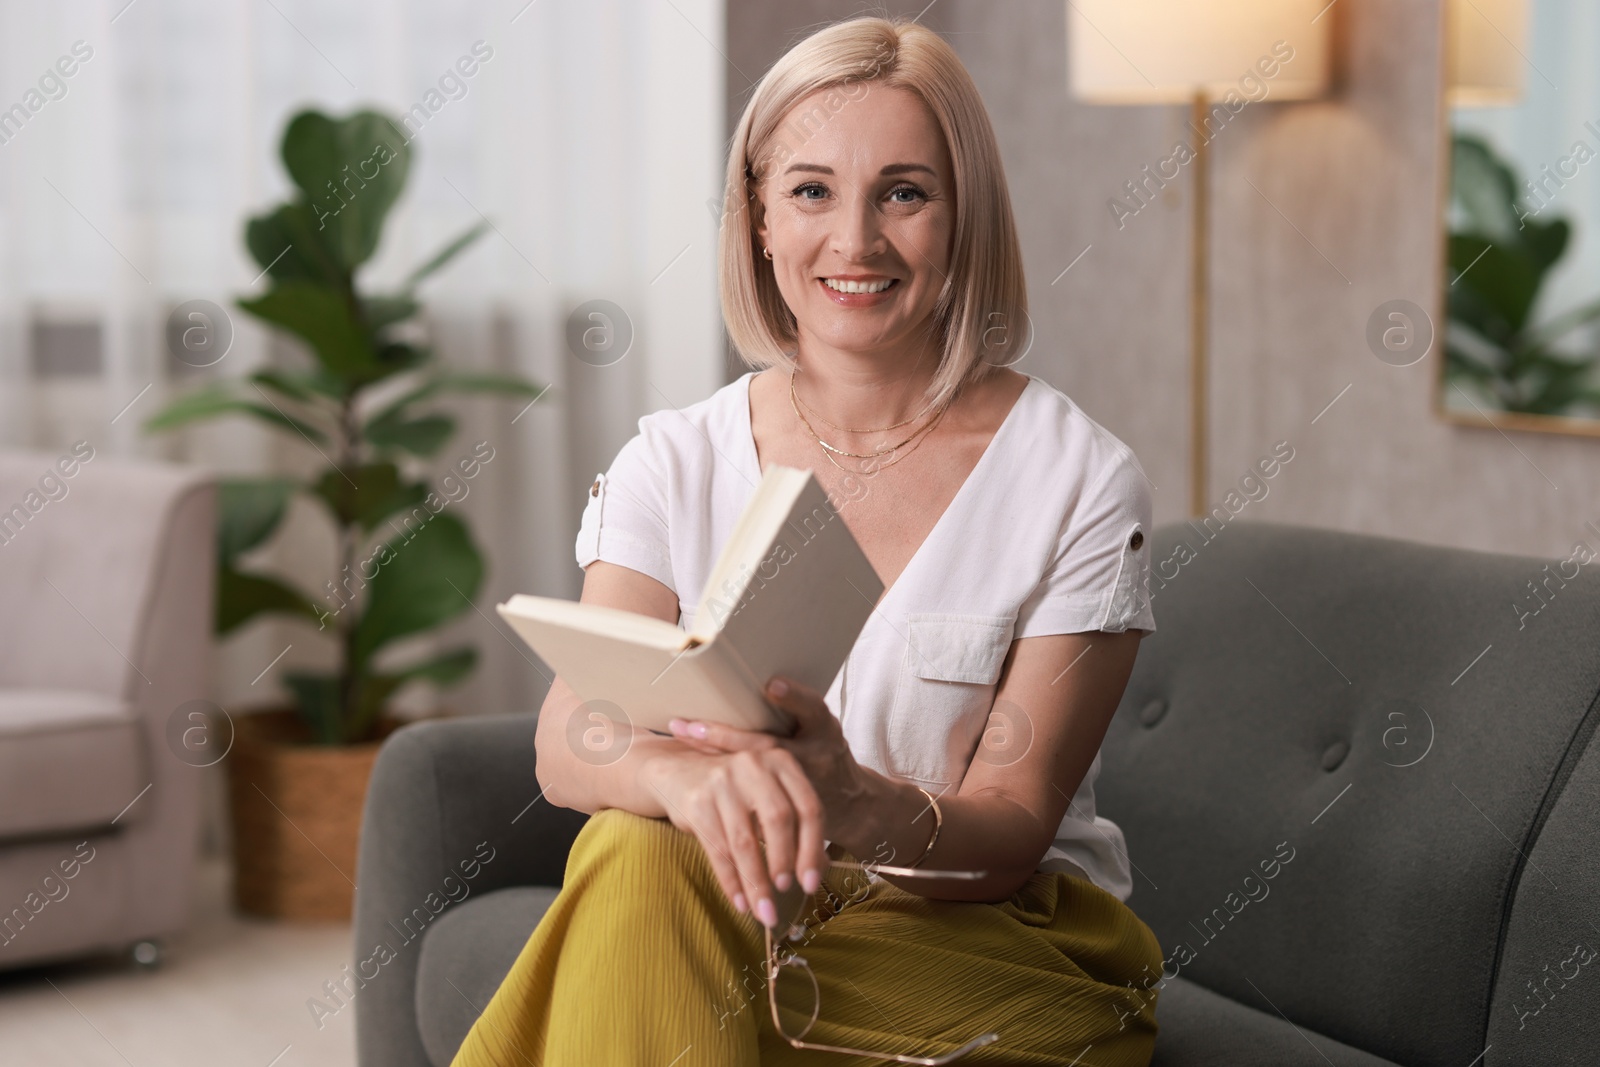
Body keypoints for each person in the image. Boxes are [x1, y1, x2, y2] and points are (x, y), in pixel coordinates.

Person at [452, 14, 1163, 1067]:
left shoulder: (1078, 478)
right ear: (758, 219)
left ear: (964, 217)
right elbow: (572, 734)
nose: (855, 242)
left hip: (1003, 944)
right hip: (756, 901)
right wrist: (685, 782)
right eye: (812, 190)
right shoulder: (674, 458)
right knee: (639, 847)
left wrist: (853, 799)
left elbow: (1010, 833)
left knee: (635, 887)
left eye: (904, 193)